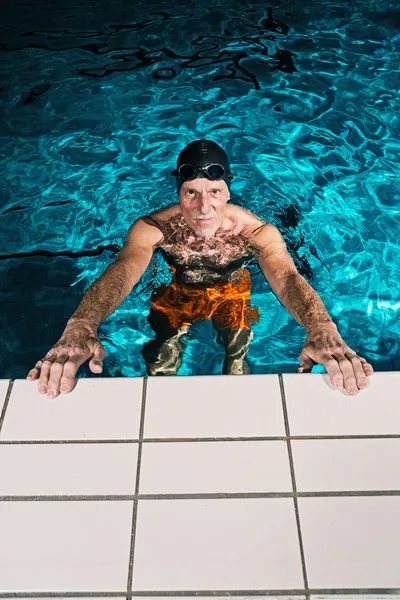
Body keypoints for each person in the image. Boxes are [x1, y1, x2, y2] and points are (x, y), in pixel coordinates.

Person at [27, 139, 374, 398]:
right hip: (176, 292)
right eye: (191, 192)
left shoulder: (257, 232)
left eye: (214, 192)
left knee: (237, 361)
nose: (203, 207)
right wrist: (82, 323)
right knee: (161, 366)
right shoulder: (153, 228)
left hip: (233, 291)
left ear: (228, 190)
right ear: (178, 190)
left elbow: (285, 276)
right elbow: (125, 267)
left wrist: (321, 327)